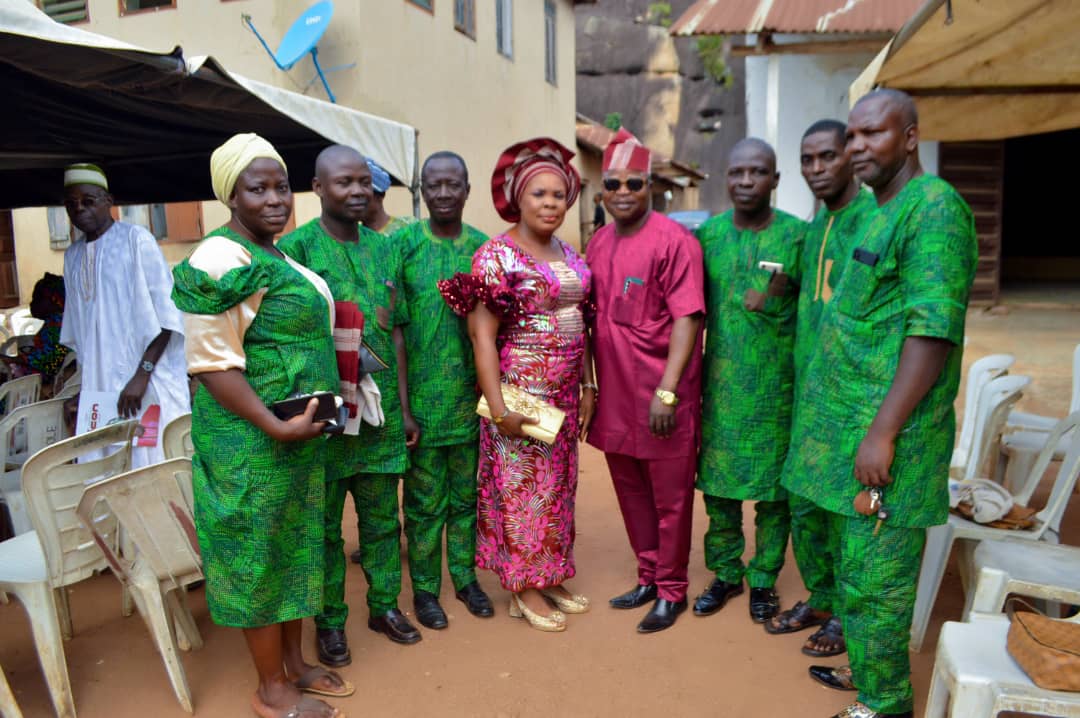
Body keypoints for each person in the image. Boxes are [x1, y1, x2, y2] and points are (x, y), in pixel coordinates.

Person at [786, 90, 977, 718]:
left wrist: (883, 432)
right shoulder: (875, 212)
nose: (857, 147)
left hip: (890, 441)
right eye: (853, 136)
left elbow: (931, 329)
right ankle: (871, 674)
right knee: (857, 572)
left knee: (877, 583)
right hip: (849, 433)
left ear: (912, 137)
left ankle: (886, 704)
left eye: (874, 134)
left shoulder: (934, 209)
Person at [171, 133, 351, 718]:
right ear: (231, 195)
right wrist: (274, 429)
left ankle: (294, 666)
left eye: (281, 186)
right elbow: (213, 365)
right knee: (256, 555)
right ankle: (272, 688)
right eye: (258, 188)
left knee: (292, 548)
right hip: (251, 446)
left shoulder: (274, 255)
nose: (276, 199)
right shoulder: (217, 260)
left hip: (292, 439)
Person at [440, 137, 594, 632]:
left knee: (558, 489)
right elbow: (481, 336)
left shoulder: (569, 252)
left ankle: (547, 574)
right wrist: (498, 402)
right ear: (518, 199)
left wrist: (588, 386)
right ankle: (522, 585)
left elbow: (582, 318)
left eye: (558, 194)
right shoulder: (495, 256)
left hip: (566, 393)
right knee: (521, 490)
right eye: (538, 194)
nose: (549, 203)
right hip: (519, 391)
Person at [278, 145, 422, 657]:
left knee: (383, 519)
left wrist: (404, 407)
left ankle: (385, 607)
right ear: (318, 188)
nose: (357, 191)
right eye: (344, 182)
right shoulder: (293, 252)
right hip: (326, 417)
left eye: (364, 181)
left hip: (378, 415)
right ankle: (330, 622)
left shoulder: (386, 249)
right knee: (323, 529)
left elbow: (397, 334)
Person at [585, 128, 705, 633]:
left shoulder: (676, 242)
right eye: (613, 185)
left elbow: (689, 318)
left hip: (662, 395)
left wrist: (668, 390)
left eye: (635, 183)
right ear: (602, 192)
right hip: (615, 394)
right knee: (630, 491)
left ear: (651, 185)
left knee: (671, 497)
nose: (624, 193)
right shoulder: (597, 243)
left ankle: (672, 590)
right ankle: (648, 576)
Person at [765, 120, 876, 658]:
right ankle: (822, 597)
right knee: (805, 505)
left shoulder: (874, 221)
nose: (816, 170)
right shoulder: (815, 228)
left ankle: (851, 622)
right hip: (808, 397)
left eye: (826, 157)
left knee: (842, 512)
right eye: (807, 160)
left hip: (852, 402)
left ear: (850, 157)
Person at [692, 138, 805, 625]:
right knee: (719, 490)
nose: (745, 181)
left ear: (775, 180)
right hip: (718, 388)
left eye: (757, 172)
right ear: (726, 177)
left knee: (775, 497)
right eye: (737, 172)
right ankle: (725, 573)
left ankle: (763, 579)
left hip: (778, 392)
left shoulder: (800, 238)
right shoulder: (707, 237)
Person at [397, 151, 493, 629]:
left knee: (465, 500)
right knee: (422, 504)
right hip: (419, 405)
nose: (442, 193)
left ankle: (465, 577)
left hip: (470, 402)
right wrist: (402, 407)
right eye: (432, 185)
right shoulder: (403, 244)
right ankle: (426, 591)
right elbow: (392, 329)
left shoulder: (484, 250)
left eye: (452, 184)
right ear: (422, 190)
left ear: (467, 190)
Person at [60, 163, 190, 468]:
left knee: (150, 464)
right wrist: (85, 388)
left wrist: (141, 375)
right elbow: (82, 335)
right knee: (107, 470)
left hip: (146, 382)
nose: (79, 210)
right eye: (71, 205)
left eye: (88, 202)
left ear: (109, 201)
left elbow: (166, 317)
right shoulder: (72, 256)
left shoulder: (137, 240)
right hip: (101, 390)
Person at [2, 273, 71, 389]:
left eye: (37, 299)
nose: (32, 304)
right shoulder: (59, 320)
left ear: (53, 300)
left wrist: (11, 359)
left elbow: (48, 362)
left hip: (39, 383)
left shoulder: (58, 324)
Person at [362, 159, 417, 237]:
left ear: (381, 194)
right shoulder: (350, 238)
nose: (356, 201)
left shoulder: (409, 228)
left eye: (362, 195)